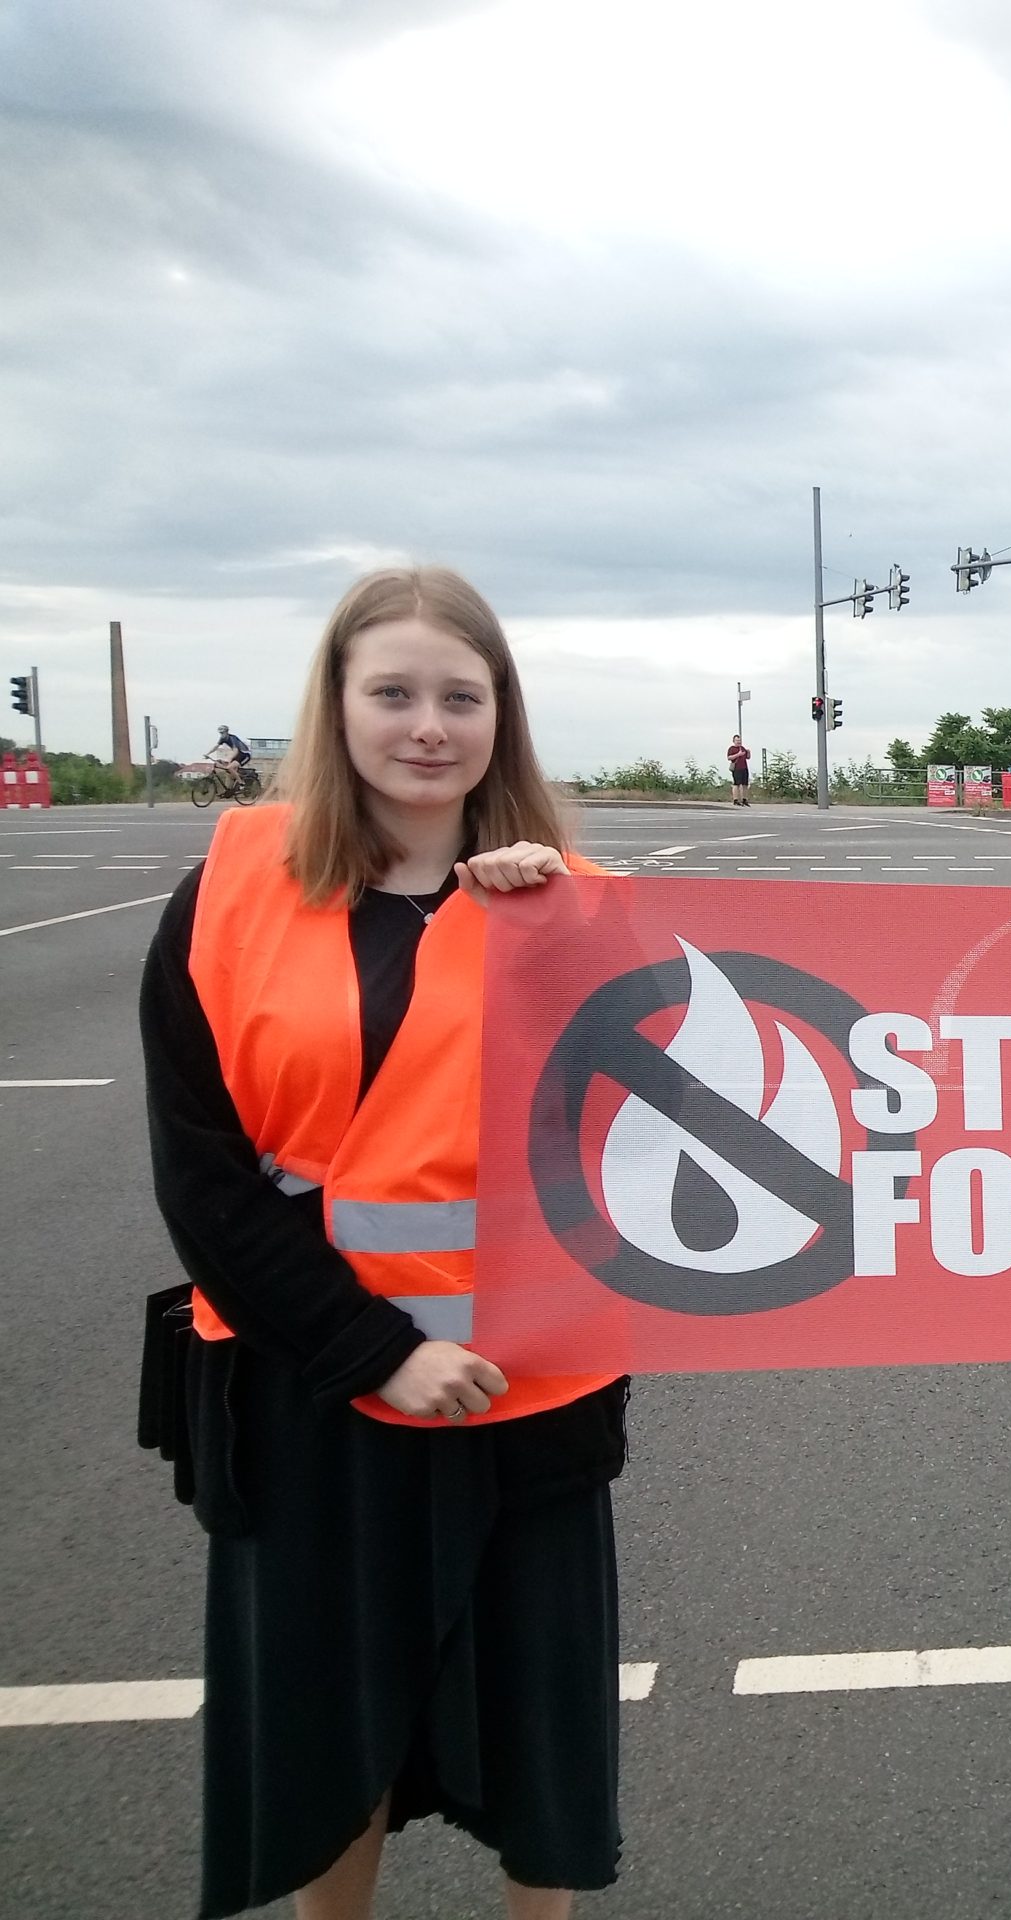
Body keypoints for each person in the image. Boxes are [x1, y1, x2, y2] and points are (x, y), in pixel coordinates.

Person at [140, 566, 628, 1920]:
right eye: (394, 692)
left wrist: (562, 936)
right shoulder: (228, 893)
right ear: (336, 705)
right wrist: (373, 1353)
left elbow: (655, 1146)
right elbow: (203, 1176)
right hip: (312, 1389)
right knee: (325, 1737)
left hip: (530, 1387)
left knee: (540, 1733)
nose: (427, 726)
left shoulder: (578, 908)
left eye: (460, 697)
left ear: (501, 715)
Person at [726, 732, 752, 806]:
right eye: (737, 740)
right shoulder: (731, 748)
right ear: (734, 741)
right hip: (737, 768)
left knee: (745, 784)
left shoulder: (742, 748)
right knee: (736, 784)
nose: (739, 742)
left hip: (744, 768)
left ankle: (744, 799)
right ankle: (735, 800)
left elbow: (748, 757)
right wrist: (738, 754)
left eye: (739, 740)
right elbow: (729, 757)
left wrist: (748, 752)